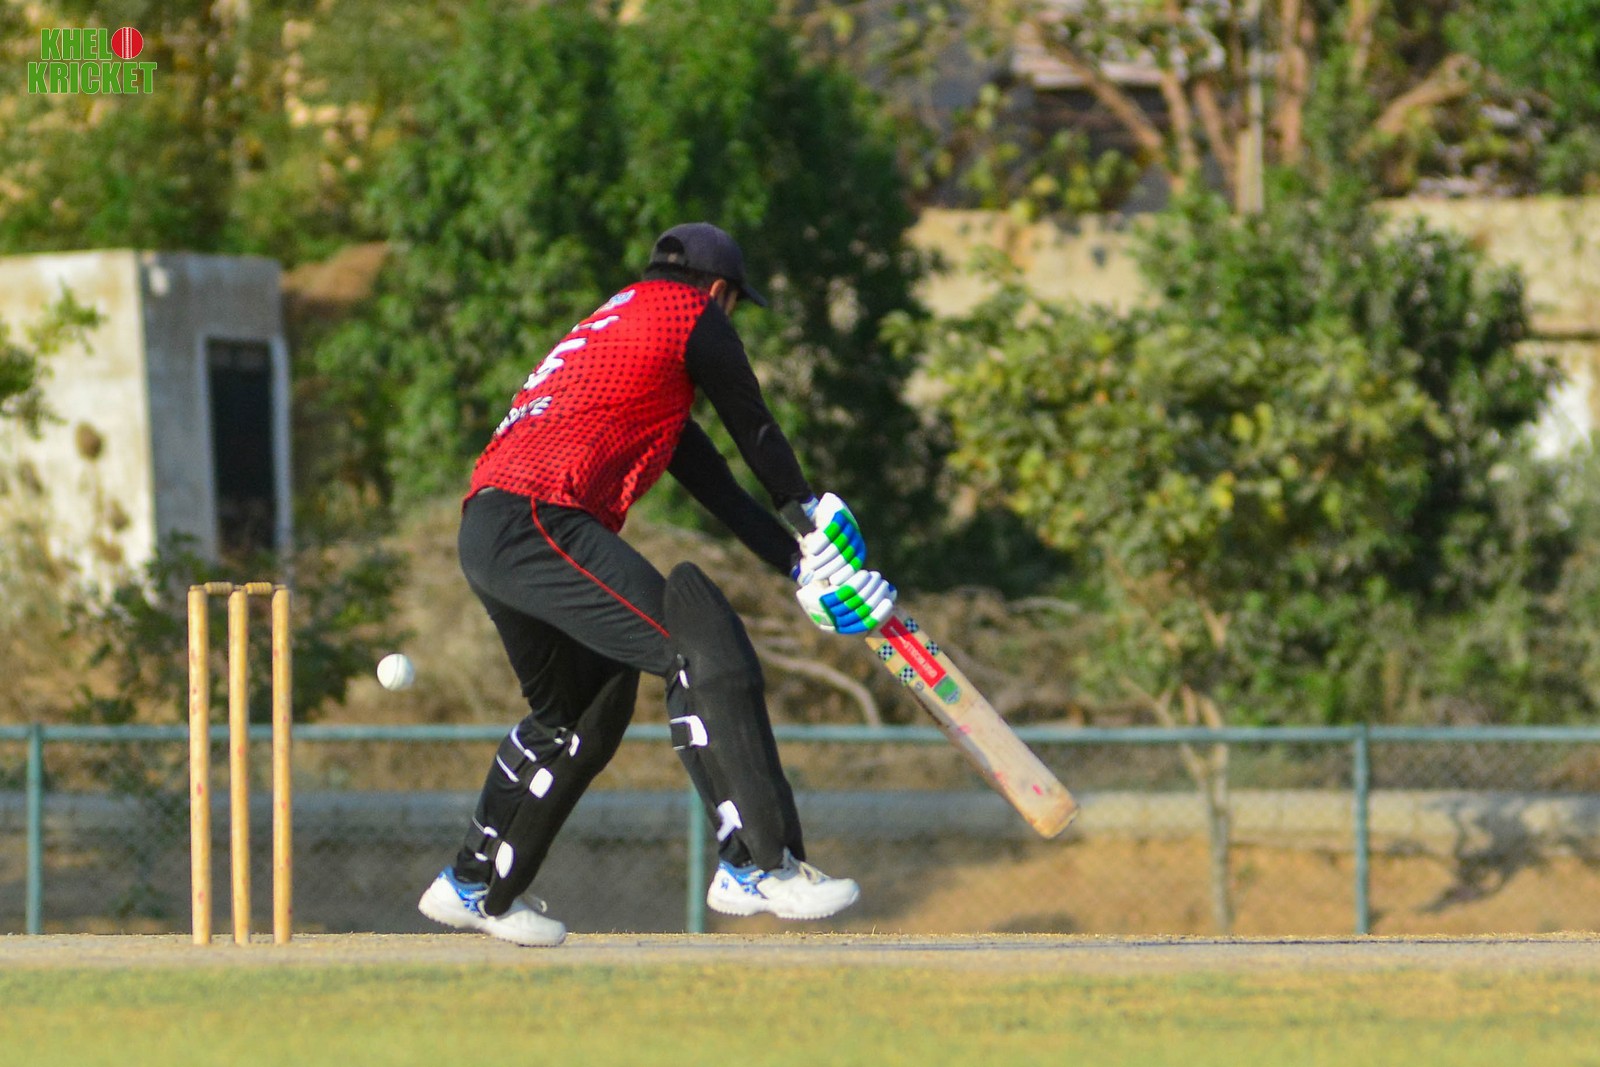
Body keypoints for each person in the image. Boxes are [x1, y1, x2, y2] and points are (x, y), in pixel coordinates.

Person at [417, 222, 898, 946]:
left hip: (488, 528)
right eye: (733, 308)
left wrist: (804, 565)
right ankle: (755, 863)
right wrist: (807, 512)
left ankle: (472, 883)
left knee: (581, 710)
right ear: (720, 292)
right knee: (695, 647)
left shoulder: (624, 347)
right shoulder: (687, 313)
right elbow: (755, 428)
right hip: (540, 517)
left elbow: (720, 491)